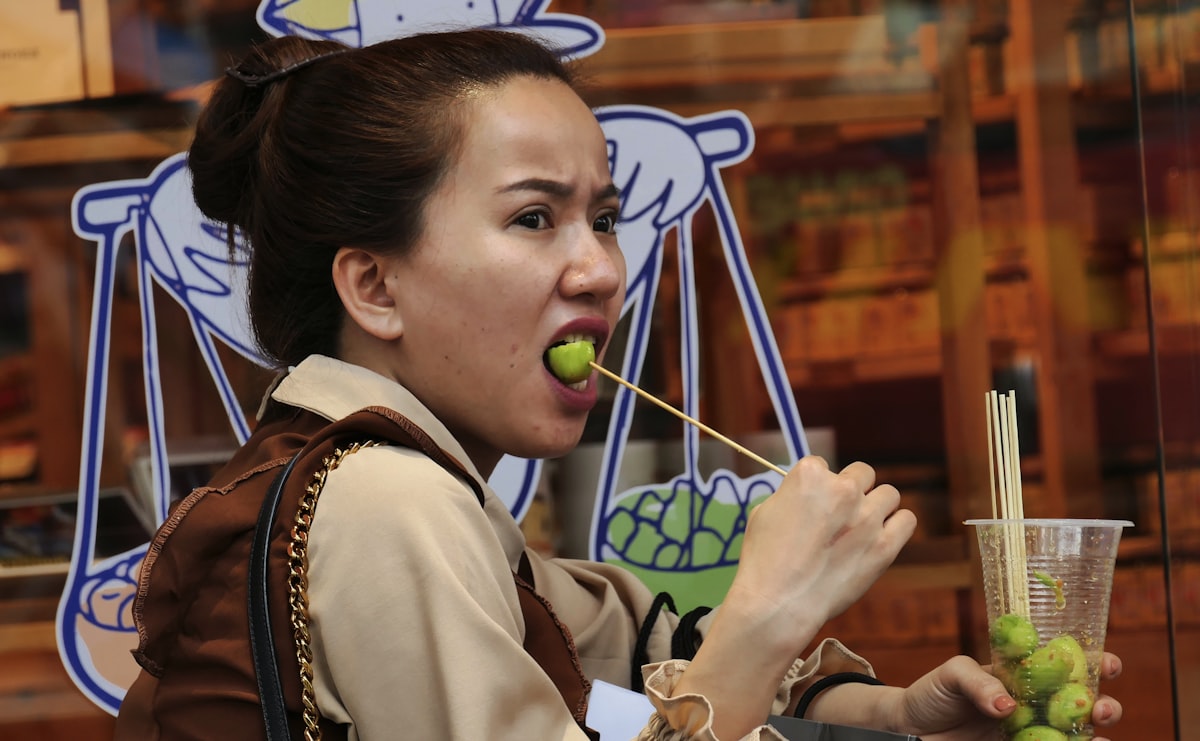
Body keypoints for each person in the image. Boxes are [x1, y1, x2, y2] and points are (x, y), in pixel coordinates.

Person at [113, 29, 1123, 741]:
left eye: (603, 217)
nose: (600, 268)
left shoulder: (395, 487)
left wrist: (895, 718)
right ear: (374, 285)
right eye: (532, 219)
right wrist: (766, 614)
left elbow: (607, 704)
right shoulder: (384, 501)